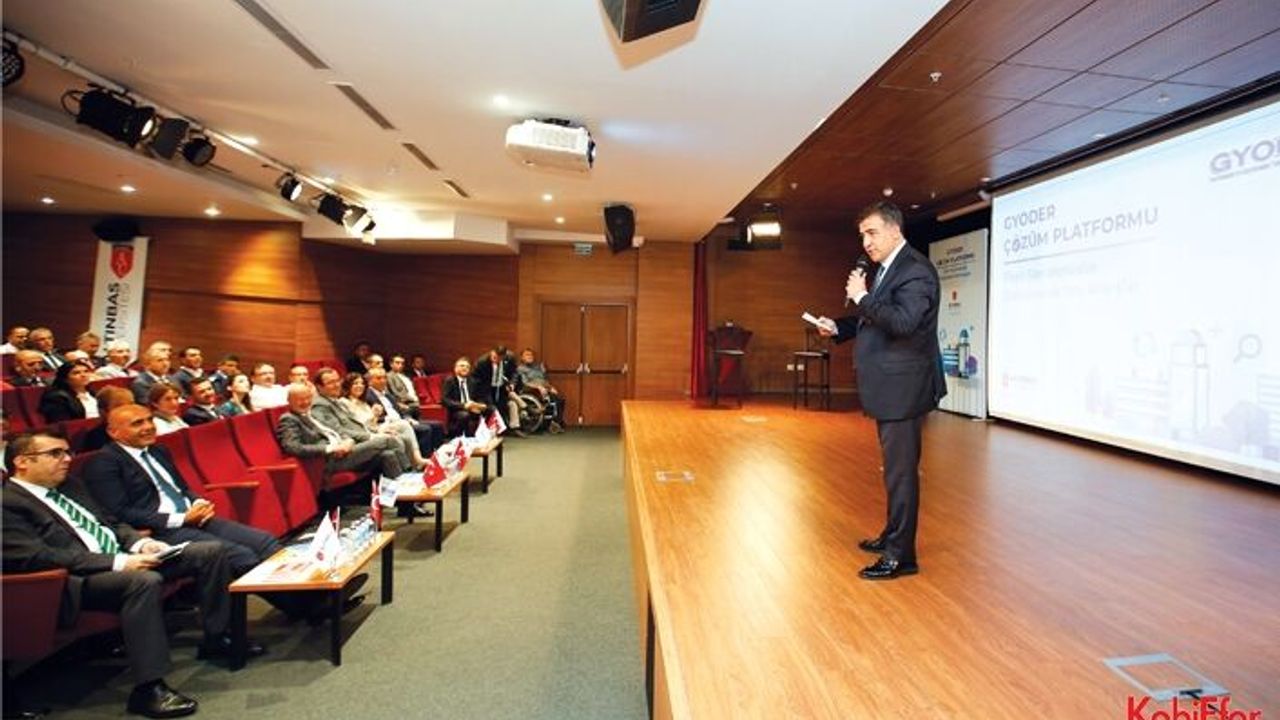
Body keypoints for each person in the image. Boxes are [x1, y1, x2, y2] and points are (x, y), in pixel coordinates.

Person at [3, 430, 257, 718]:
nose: (66, 460)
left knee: (210, 551)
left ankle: (217, 636)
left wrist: (141, 542)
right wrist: (118, 562)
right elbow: (35, 556)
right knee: (142, 581)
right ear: (22, 462)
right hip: (74, 580)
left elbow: (112, 522)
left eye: (67, 452)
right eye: (55, 454)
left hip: (123, 558)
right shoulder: (8, 503)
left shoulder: (71, 486)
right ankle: (149, 689)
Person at [83, 406, 358, 623]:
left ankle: (311, 594)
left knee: (265, 541)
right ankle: (306, 607)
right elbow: (120, 512)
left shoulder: (157, 450)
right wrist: (181, 519)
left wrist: (199, 501)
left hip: (193, 516)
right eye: (137, 423)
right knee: (242, 556)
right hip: (161, 531)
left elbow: (180, 487)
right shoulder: (105, 464)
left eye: (148, 420)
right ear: (114, 432)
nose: (147, 427)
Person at [817, 201, 946, 581]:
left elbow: (903, 323)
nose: (866, 242)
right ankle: (893, 535)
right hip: (889, 387)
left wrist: (860, 296)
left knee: (901, 473)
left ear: (894, 231)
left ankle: (901, 556)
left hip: (903, 389)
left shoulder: (916, 271)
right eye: (862, 235)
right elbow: (877, 321)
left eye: (871, 233)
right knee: (893, 471)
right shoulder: (889, 269)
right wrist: (840, 327)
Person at [276, 382, 408, 485]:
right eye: (300, 399)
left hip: (345, 450)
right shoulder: (288, 419)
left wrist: (348, 441)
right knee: (387, 440)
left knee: (388, 455)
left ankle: (405, 504)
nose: (305, 402)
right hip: (329, 461)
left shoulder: (310, 414)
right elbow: (292, 447)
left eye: (307, 398)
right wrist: (330, 448)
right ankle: (412, 486)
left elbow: (335, 431)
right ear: (289, 400)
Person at [340, 372, 428, 468]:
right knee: (400, 437)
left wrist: (377, 421)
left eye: (362, 383)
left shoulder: (363, 402)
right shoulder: (344, 403)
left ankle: (418, 460)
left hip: (374, 430)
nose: (360, 386)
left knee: (403, 425)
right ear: (348, 385)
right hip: (364, 436)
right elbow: (357, 426)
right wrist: (375, 419)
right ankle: (409, 467)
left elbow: (372, 424)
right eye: (355, 383)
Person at [516, 348, 565, 433]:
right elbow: (525, 383)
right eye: (527, 355)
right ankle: (552, 423)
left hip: (543, 388)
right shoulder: (520, 368)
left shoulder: (538, 367)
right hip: (530, 389)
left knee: (559, 400)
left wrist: (550, 387)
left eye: (531, 355)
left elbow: (544, 380)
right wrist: (538, 387)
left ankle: (555, 422)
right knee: (551, 399)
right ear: (522, 358)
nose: (530, 357)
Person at [441, 357, 490, 437]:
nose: (465, 368)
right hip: (457, 410)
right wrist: (464, 406)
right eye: (462, 366)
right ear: (455, 368)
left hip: (472, 407)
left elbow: (479, 397)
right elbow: (445, 399)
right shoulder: (449, 381)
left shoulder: (473, 381)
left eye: (467, 367)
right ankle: (458, 437)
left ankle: (481, 438)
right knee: (465, 415)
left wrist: (480, 405)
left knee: (490, 409)